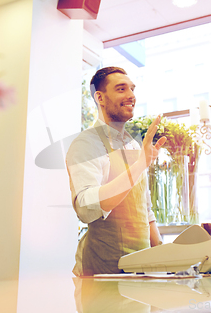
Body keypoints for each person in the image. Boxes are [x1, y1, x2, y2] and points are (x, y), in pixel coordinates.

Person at [66, 66, 166, 276]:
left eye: (132, 89)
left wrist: (166, 261)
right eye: (121, 89)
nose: (131, 95)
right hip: (102, 274)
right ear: (100, 98)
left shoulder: (134, 146)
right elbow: (86, 207)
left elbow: (145, 211)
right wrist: (140, 165)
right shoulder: (86, 144)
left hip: (140, 272)